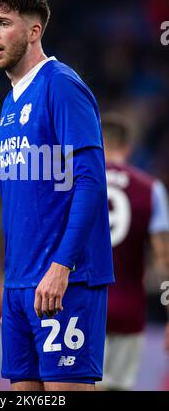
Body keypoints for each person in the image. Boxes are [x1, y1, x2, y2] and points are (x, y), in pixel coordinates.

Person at [0, 0, 114, 392]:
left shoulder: (60, 84)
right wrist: (13, 283)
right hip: (21, 285)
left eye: (4, 22)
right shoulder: (9, 104)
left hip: (65, 282)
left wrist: (62, 265)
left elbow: (91, 181)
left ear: (34, 31)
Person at [100, 113, 169, 391]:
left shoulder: (72, 183)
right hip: (129, 309)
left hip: (83, 307)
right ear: (127, 148)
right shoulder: (151, 190)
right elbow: (164, 260)